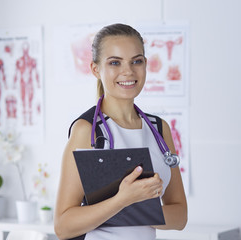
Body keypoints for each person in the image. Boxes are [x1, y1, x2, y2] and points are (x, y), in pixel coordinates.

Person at [54, 23, 187, 240]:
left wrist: (135, 205)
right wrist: (123, 200)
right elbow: (63, 226)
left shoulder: (159, 129)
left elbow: (180, 216)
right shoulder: (87, 130)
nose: (128, 71)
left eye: (137, 61)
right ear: (96, 69)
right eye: (115, 62)